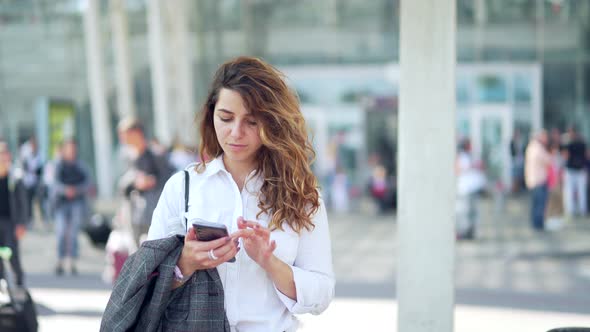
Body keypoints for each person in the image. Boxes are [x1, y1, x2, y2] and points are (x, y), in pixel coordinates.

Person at [147, 56, 334, 331]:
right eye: (226, 118)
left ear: (272, 123)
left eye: (251, 122)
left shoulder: (302, 194)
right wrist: (185, 263)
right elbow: (146, 280)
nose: (236, 132)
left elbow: (321, 293)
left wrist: (269, 261)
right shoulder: (183, 186)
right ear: (212, 114)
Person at [117, 118, 175, 246]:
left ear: (137, 133)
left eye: (125, 135)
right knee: (136, 249)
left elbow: (170, 178)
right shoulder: (128, 156)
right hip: (133, 212)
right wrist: (135, 183)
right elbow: (124, 185)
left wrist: (152, 181)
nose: (122, 139)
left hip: (153, 212)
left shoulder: (156, 154)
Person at [52, 139, 90, 275]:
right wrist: (65, 190)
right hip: (61, 203)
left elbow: (87, 183)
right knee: (61, 231)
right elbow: (54, 183)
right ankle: (60, 260)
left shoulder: (80, 165)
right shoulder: (58, 165)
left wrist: (76, 190)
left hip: (76, 203)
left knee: (73, 232)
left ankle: (72, 261)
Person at [0, 141, 27, 286]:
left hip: (11, 222)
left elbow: (23, 203)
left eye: (4, 154)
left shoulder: (15, 177)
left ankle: (19, 280)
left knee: (11, 254)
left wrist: (22, 224)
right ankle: (2, 284)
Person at [456, 138, 484, 240]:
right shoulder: (461, 156)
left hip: (472, 188)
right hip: (465, 189)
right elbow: (458, 169)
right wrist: (472, 166)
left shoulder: (470, 156)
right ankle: (464, 232)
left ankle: (470, 232)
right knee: (465, 212)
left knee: (473, 212)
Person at [525, 130, 551, 231]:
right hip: (539, 180)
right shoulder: (538, 148)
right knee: (540, 204)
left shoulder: (531, 147)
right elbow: (548, 160)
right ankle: (538, 225)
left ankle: (535, 224)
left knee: (535, 204)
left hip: (533, 180)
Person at [562, 126, 587, 218]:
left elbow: (565, 156)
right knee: (578, 191)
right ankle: (579, 210)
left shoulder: (568, 143)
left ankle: (572, 211)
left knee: (571, 191)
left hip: (574, 170)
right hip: (577, 170)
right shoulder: (582, 142)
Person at [19, 136, 43, 227]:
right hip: (27, 182)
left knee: (38, 201)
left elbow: (39, 169)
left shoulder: (39, 153)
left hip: (35, 182)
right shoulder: (26, 152)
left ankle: (39, 220)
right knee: (27, 202)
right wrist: (32, 170)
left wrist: (34, 171)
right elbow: (24, 166)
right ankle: (28, 220)